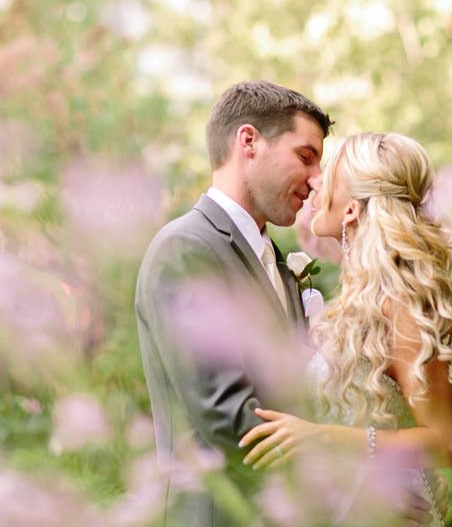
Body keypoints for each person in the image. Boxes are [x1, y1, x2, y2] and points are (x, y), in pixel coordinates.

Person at [239, 132, 452, 526]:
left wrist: (320, 436)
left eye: (328, 174)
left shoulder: (401, 302)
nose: (315, 181)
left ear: (350, 211)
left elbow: (445, 443)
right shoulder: (359, 300)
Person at [134, 80, 332, 526]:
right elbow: (225, 414)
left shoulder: (276, 259)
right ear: (249, 142)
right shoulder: (185, 249)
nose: (316, 179)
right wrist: (346, 479)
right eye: (305, 156)